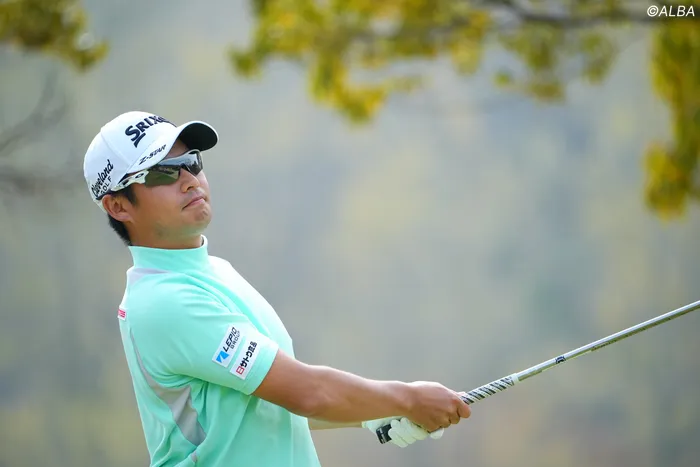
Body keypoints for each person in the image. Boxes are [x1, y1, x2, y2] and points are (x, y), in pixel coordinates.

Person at [83, 111, 471, 466]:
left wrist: (374, 413)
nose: (189, 180)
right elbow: (307, 393)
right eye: (163, 172)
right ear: (118, 206)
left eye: (192, 162)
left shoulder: (215, 272)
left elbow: (270, 400)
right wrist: (408, 399)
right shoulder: (163, 302)